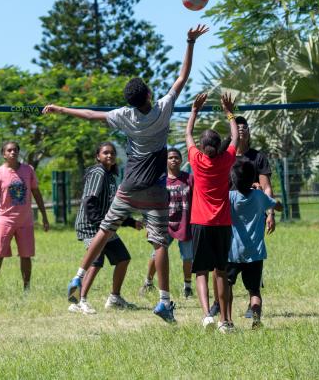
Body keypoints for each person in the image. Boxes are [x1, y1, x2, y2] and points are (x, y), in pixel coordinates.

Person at [44, 24, 210, 323]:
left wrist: (60, 109)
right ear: (148, 93)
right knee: (159, 243)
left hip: (129, 185)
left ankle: (79, 276)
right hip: (155, 188)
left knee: (105, 229)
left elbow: (91, 115)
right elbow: (182, 76)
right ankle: (163, 301)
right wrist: (189, 41)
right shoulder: (163, 109)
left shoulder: (123, 116)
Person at [212, 114, 276, 319]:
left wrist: (270, 213)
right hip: (226, 216)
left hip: (250, 214)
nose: (241, 130)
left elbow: (266, 187)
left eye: (244, 127)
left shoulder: (258, 157)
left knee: (246, 260)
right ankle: (218, 303)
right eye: (236, 128)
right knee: (222, 265)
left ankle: (250, 306)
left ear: (249, 132)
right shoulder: (225, 155)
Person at [185, 91, 239, 333]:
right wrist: (229, 113)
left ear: (203, 147)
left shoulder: (197, 160)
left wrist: (195, 110)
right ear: (218, 147)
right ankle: (225, 322)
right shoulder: (226, 160)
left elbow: (187, 134)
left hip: (199, 223)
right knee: (221, 271)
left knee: (200, 272)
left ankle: (207, 314)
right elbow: (236, 137)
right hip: (222, 224)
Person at [69, 142, 142, 314]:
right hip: (91, 225)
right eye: (105, 153)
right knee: (96, 261)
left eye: (112, 153)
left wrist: (131, 222)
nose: (109, 155)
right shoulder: (98, 172)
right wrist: (98, 224)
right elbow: (89, 201)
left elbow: (111, 207)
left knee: (123, 258)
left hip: (105, 226)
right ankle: (80, 301)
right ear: (98, 156)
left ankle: (114, 298)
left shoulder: (110, 176)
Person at [0, 141, 50, 293]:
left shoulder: (28, 170)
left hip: (25, 220)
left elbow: (36, 193)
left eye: (15, 150)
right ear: (4, 154)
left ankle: (26, 288)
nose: (13, 152)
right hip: (4, 219)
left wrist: (44, 216)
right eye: (9, 150)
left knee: (26, 255)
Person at [227, 161, 283, 329]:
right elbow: (277, 206)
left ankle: (227, 319)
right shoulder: (259, 196)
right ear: (253, 178)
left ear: (233, 180)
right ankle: (256, 321)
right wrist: (275, 203)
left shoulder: (230, 197)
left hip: (232, 252)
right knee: (254, 291)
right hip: (255, 253)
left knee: (227, 286)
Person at [139, 148, 195, 299]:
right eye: (170, 157)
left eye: (176, 157)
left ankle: (187, 287)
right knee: (155, 254)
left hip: (185, 223)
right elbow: (151, 202)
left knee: (188, 257)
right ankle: (148, 282)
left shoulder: (189, 179)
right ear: (166, 161)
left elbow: (197, 200)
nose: (174, 160)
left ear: (181, 160)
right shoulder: (160, 180)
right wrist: (149, 223)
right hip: (164, 224)